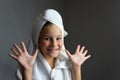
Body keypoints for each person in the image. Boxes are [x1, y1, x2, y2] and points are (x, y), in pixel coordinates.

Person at [9, 9, 91, 80]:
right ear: (37, 40)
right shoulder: (27, 65)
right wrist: (27, 70)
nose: (54, 44)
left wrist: (76, 67)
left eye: (58, 38)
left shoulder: (68, 63)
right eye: (47, 38)